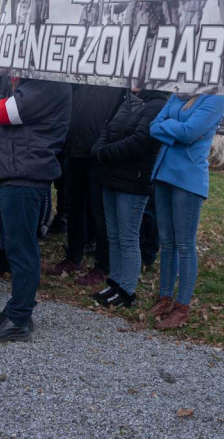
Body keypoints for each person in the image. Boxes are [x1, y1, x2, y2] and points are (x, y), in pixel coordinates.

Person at [0, 69, 72, 342]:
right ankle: (18, 308)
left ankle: (18, 318)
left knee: (21, 248)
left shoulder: (48, 82)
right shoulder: (37, 80)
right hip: (18, 170)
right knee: (17, 246)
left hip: (26, 174)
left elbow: (5, 112)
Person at [146, 91, 224, 329]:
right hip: (163, 174)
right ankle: (164, 297)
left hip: (188, 179)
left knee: (185, 245)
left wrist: (170, 127)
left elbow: (190, 132)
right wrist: (178, 130)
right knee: (167, 241)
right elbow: (153, 127)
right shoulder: (177, 94)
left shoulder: (215, 98)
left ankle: (182, 307)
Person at [89, 87, 170, 307]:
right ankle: (115, 282)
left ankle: (127, 290)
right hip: (111, 176)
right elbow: (109, 129)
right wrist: (97, 148)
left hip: (133, 181)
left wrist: (104, 153)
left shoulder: (157, 105)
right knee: (113, 235)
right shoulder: (129, 101)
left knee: (128, 236)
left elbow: (140, 141)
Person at [45, 85, 124, 286]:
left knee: (100, 212)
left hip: (99, 154)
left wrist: (105, 143)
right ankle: (73, 257)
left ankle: (104, 266)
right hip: (75, 149)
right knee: (73, 207)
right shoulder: (84, 75)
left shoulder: (118, 79)